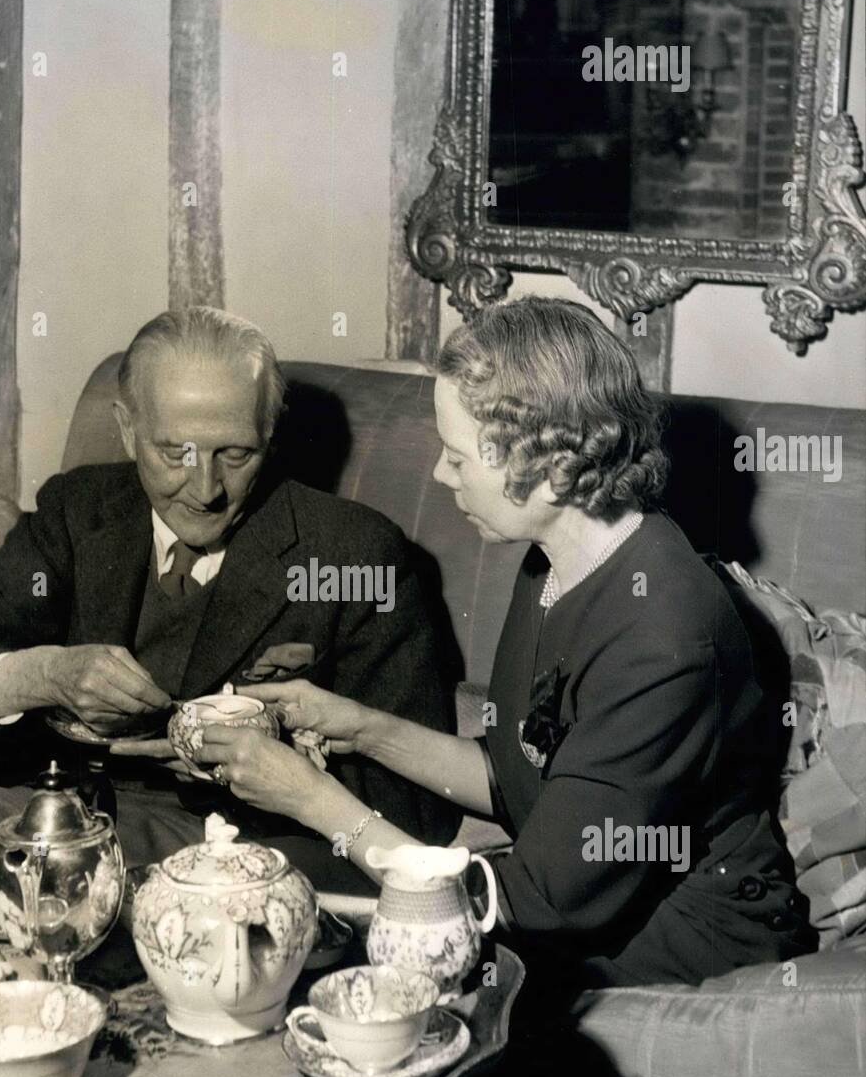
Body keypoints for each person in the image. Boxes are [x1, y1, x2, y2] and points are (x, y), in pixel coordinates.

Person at [185, 297, 814, 989]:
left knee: (314, 958)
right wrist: (358, 728)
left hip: (682, 942)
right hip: (579, 897)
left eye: (457, 457)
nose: (440, 476)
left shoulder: (663, 636)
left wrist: (310, 798)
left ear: (546, 466)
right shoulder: (555, 560)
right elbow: (519, 774)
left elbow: (528, 904)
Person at [0, 307, 458, 904]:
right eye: (172, 452)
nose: (205, 489)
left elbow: (422, 812)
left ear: (270, 434)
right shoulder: (80, 514)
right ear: (128, 431)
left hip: (226, 849)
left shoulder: (352, 553)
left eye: (235, 454)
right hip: (50, 804)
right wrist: (41, 674)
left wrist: (258, 767)